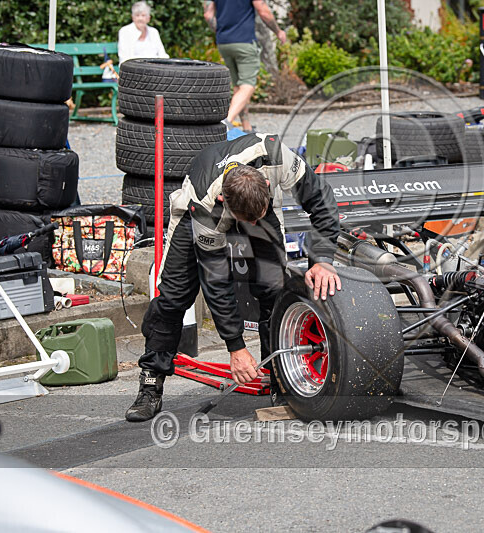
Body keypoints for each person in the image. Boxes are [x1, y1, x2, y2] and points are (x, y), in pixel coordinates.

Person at [125, 133, 342, 422]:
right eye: (245, 222)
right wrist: (235, 347)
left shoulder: (277, 157)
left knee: (274, 290)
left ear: (267, 186)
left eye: (255, 218)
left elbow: (322, 201)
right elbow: (216, 282)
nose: (250, 227)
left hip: (254, 202)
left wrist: (323, 260)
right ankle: (151, 382)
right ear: (224, 200)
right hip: (196, 209)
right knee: (174, 297)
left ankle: (280, 379)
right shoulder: (208, 206)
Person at [204, 0, 288, 132]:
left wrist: (221, 30)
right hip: (244, 41)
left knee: (238, 86)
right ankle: (226, 121)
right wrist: (278, 31)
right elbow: (263, 11)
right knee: (248, 85)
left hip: (224, 42)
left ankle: (246, 126)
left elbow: (208, 15)